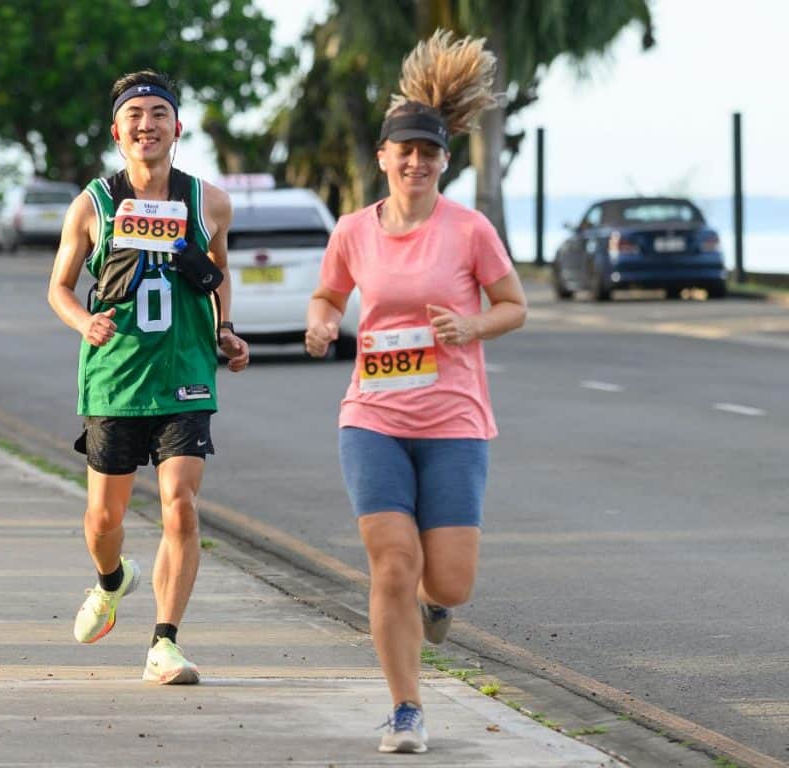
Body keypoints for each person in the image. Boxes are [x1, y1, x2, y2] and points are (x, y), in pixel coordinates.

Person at [305, 31, 527, 754]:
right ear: (383, 157)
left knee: (451, 583)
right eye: (405, 150)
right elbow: (329, 294)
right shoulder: (352, 230)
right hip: (371, 417)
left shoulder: (469, 230)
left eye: (429, 153)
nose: (416, 162)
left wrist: (470, 325)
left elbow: (514, 304)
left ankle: (436, 605)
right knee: (392, 563)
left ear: (443, 162)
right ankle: (405, 709)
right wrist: (320, 323)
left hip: (455, 418)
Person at [47, 70, 249, 685]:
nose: (147, 124)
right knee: (103, 521)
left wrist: (225, 330)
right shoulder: (93, 204)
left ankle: (165, 643)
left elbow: (217, 270)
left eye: (160, 113)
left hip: (186, 375)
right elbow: (58, 288)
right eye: (135, 115)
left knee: (180, 508)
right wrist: (85, 322)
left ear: (177, 127)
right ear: (117, 132)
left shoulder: (208, 201)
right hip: (113, 381)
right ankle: (112, 580)